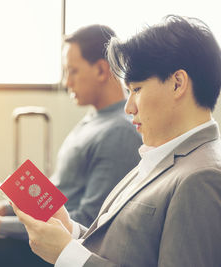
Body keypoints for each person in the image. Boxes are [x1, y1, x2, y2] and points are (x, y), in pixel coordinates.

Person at [13, 15, 221, 267]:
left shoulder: (202, 177)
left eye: (137, 89)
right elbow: (123, 245)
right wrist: (70, 230)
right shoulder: (161, 155)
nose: (129, 107)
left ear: (177, 84)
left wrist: (66, 255)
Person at [0, 24, 142, 239]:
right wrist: (3, 210)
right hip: (40, 237)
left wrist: (1, 225)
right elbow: (55, 201)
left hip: (46, 250)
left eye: (73, 71)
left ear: (101, 70)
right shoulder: (95, 120)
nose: (67, 82)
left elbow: (88, 223)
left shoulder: (119, 133)